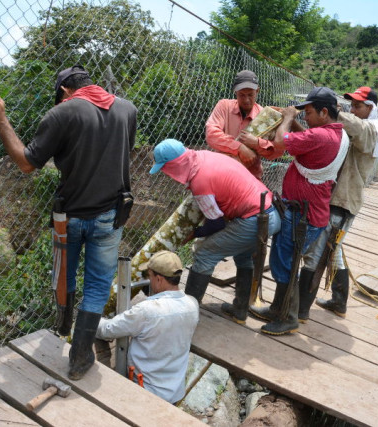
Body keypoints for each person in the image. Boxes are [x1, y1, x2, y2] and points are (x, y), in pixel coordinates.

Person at [0, 65, 138, 381]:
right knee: (97, 284)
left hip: (70, 217)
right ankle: (79, 359)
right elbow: (123, 152)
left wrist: (0, 120)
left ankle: (62, 326)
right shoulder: (128, 110)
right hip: (111, 215)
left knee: (64, 275)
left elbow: (26, 163)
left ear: (65, 90)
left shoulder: (62, 113)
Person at [250, 87, 349, 336]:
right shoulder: (336, 134)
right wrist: (293, 121)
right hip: (307, 212)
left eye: (309, 112)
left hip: (303, 216)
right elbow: (307, 138)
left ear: (324, 112)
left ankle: (288, 316)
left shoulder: (322, 137)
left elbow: (282, 142)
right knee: (285, 261)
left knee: (286, 264)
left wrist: (286, 119)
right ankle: (278, 308)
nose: (305, 117)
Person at [149, 139, 281, 324]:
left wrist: (195, 233)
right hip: (270, 213)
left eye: (165, 168)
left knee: (204, 253)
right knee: (243, 255)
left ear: (173, 165)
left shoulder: (200, 183)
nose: (165, 173)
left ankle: (186, 318)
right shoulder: (204, 156)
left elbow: (216, 224)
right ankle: (240, 310)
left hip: (253, 220)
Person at [298, 86, 378, 321]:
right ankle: (338, 301)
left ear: (371, 108)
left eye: (358, 106)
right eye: (351, 105)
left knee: (317, 252)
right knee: (335, 253)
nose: (353, 110)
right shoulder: (359, 128)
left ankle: (299, 310)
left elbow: (356, 127)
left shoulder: (372, 130)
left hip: (343, 201)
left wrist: (331, 111)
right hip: (339, 198)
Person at [96, 251, 199, 404]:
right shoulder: (192, 304)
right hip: (176, 392)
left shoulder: (146, 311)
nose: (149, 280)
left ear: (159, 279)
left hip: (146, 393)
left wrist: (92, 317)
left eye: (150, 276)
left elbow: (107, 330)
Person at [205, 70, 284, 179]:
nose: (246, 100)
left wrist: (256, 143)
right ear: (235, 92)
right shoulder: (224, 106)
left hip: (251, 177)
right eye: (242, 95)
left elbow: (277, 151)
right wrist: (240, 147)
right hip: (222, 174)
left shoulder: (265, 116)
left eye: (250, 95)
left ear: (257, 91)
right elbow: (211, 135)